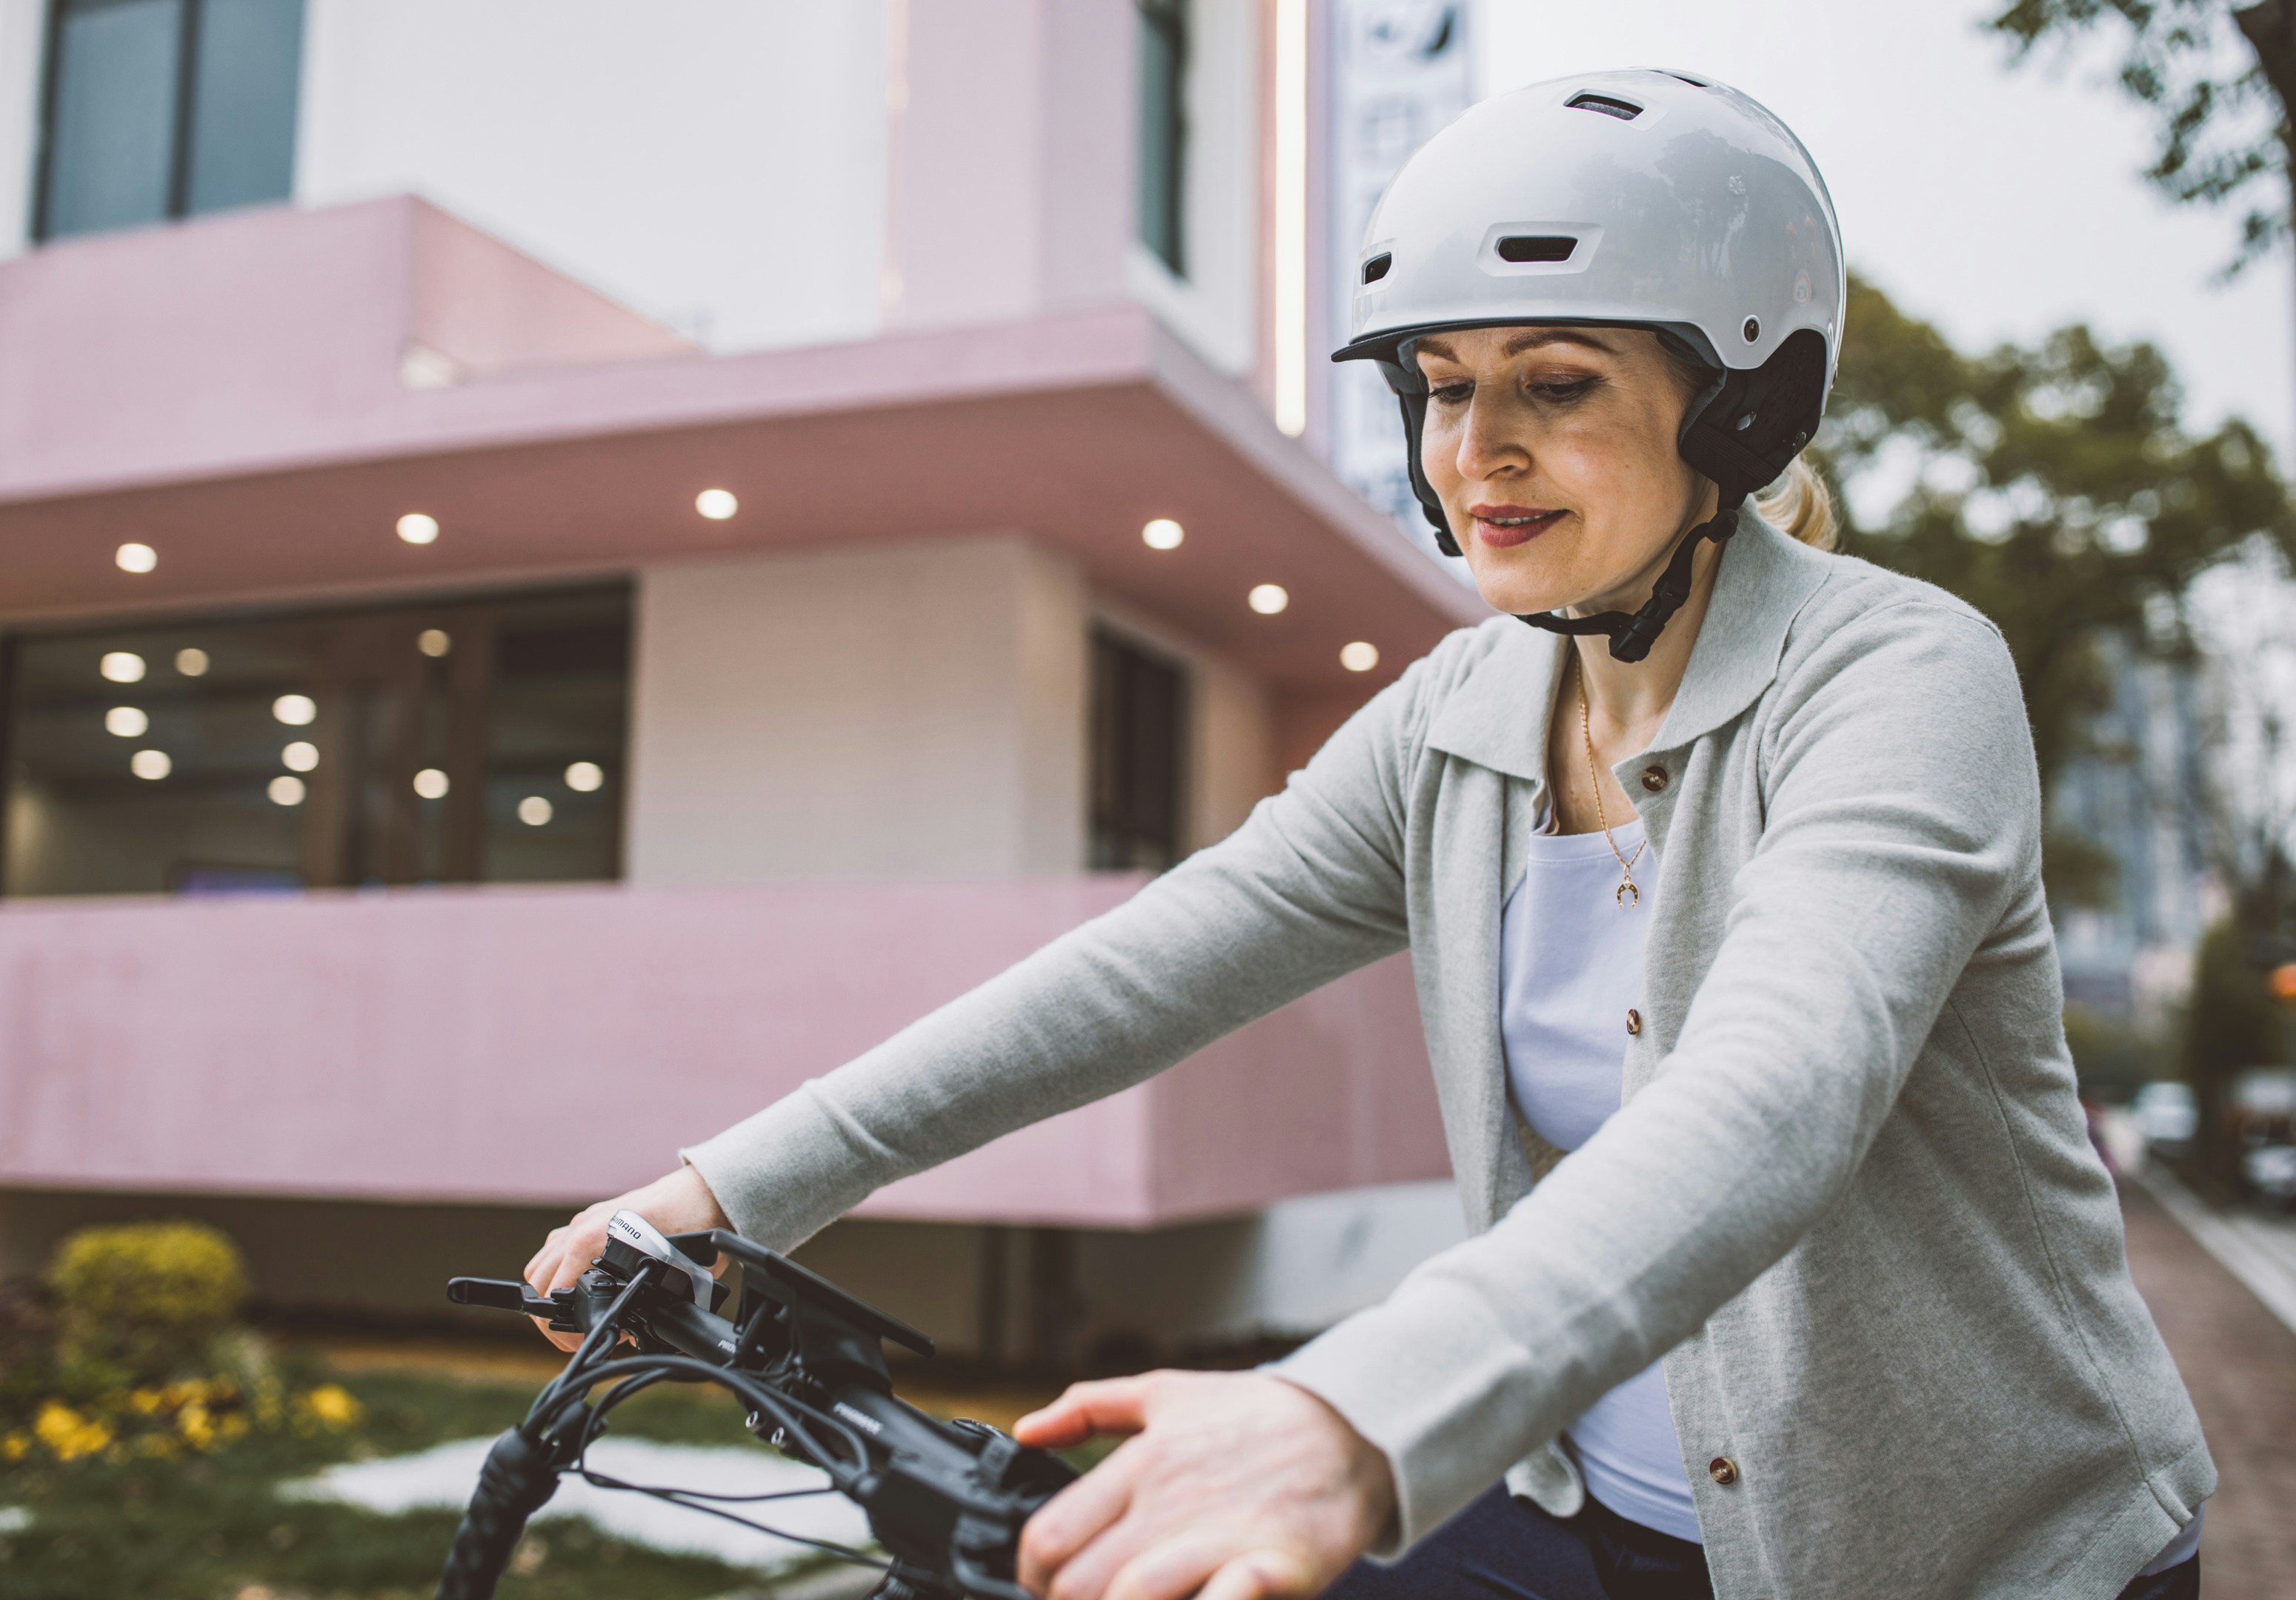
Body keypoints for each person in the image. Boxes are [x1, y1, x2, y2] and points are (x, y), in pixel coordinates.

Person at [522, 72, 2212, 1600]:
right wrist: (734, 1184)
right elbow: (1146, 969)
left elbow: (1776, 1091)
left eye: (1553, 383)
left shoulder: (1898, 677)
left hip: (1967, 1554)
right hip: (1572, 1501)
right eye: (1440, 386)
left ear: (1741, 413)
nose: (1475, 450)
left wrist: (1346, 1411)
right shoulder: (1456, 717)